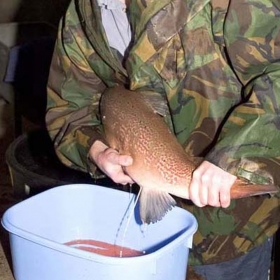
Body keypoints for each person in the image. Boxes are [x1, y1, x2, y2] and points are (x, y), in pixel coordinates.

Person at [46, 0, 280, 279]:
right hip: (139, 217)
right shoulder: (82, 14)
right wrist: (95, 149)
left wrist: (236, 155)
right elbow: (70, 108)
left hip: (232, 223)